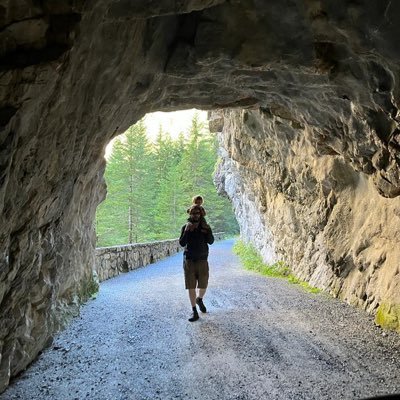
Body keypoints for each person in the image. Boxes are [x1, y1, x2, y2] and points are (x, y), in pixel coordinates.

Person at [179, 204, 214, 322]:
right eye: (193, 213)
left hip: (203, 260)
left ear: (201, 214)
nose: (195, 215)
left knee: (203, 285)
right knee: (191, 286)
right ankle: (194, 311)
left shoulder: (205, 227)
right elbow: (182, 243)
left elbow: (211, 241)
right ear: (190, 214)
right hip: (189, 260)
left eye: (197, 213)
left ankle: (199, 299)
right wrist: (187, 231)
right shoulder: (185, 227)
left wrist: (207, 231)